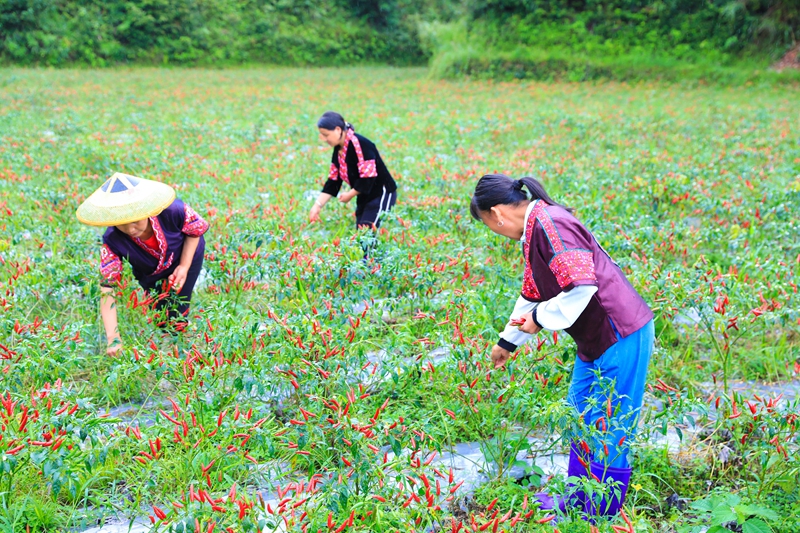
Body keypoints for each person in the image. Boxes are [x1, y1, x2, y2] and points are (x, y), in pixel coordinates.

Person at [470, 174, 654, 518]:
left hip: (620, 333)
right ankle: (577, 501)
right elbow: (532, 293)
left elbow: (581, 286)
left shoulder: (551, 223)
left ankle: (598, 514)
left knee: (608, 426)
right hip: (596, 338)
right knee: (578, 414)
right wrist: (506, 343)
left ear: (496, 214)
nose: (494, 231)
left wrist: (539, 319)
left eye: (487, 225)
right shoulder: (535, 229)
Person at [76, 172, 209, 355]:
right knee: (160, 314)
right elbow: (107, 289)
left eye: (135, 221)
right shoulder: (112, 240)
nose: (131, 229)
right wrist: (113, 339)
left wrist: (184, 267)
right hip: (150, 271)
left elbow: (196, 230)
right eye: (122, 223)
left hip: (187, 253)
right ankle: (173, 342)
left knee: (178, 305)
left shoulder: (172, 211)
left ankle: (186, 352)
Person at [310, 112, 397, 232]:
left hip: (381, 193)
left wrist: (350, 194)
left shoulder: (359, 144)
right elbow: (333, 181)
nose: (325, 139)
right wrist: (317, 205)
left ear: (338, 129)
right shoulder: (339, 150)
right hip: (364, 196)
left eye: (326, 135)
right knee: (361, 236)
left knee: (366, 236)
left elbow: (368, 178)